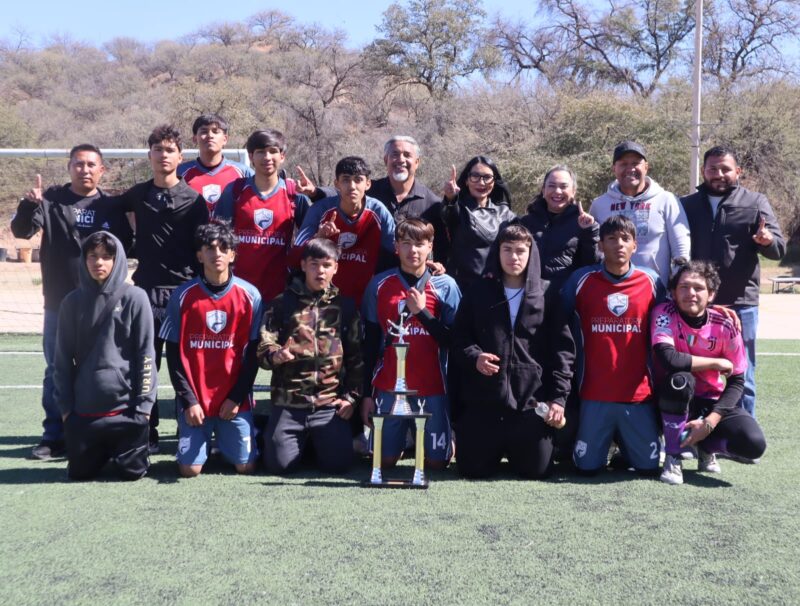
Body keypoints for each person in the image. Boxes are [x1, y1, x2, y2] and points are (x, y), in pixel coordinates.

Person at [11, 144, 132, 460]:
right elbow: (22, 232)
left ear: (102, 170)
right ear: (69, 167)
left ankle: (103, 432)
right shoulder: (51, 200)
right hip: (59, 303)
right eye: (78, 164)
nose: (85, 170)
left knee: (106, 368)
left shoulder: (111, 206)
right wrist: (28, 205)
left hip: (104, 305)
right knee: (57, 369)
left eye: (91, 164)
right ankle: (55, 436)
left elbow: (126, 249)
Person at [451, 223, 574, 479]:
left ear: (531, 253)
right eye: (507, 250)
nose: (513, 257)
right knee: (472, 470)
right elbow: (459, 338)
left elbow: (563, 351)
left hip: (530, 403)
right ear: (497, 252)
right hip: (484, 403)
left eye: (520, 251)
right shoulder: (477, 291)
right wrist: (476, 357)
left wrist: (558, 399)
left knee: (537, 471)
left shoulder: (548, 294)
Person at [119, 125, 209, 452]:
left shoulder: (194, 200)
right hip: (145, 290)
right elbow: (110, 216)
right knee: (145, 364)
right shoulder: (136, 195)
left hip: (183, 292)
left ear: (180, 157)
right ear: (149, 155)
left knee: (185, 364)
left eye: (169, 150)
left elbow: (202, 249)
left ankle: (190, 428)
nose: (163, 155)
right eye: (157, 149)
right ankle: (147, 431)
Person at [680, 146, 786, 418]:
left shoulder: (755, 202)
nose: (719, 174)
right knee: (694, 372)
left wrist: (768, 241)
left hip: (740, 304)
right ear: (703, 171)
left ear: (738, 171)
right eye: (712, 168)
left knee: (742, 374)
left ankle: (742, 431)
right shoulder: (686, 205)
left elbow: (779, 250)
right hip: (696, 304)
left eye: (725, 169)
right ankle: (696, 429)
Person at [561, 215, 665, 475]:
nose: (619, 244)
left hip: (638, 394)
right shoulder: (581, 280)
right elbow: (559, 323)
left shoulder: (651, 281)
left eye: (625, 239)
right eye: (611, 238)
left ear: (635, 246)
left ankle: (626, 445)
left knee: (648, 468)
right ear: (600, 245)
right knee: (586, 469)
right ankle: (606, 443)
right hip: (594, 393)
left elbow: (668, 324)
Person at [159, 222, 262, 477]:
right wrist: (189, 401)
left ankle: (235, 438)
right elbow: (173, 357)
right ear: (199, 255)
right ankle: (205, 443)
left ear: (232, 255)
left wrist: (236, 398)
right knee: (189, 470)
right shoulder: (182, 296)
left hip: (232, 400)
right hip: (197, 401)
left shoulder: (250, 296)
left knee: (246, 467)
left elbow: (252, 356)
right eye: (210, 248)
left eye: (223, 248)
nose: (217, 253)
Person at [653, 258, 767, 485]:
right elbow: (669, 359)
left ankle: (706, 446)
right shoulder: (664, 313)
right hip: (665, 401)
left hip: (709, 401)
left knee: (753, 444)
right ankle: (673, 456)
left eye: (698, 288)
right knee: (680, 380)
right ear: (673, 293)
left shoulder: (725, 323)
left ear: (711, 294)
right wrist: (715, 363)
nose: (690, 293)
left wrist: (709, 423)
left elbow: (737, 380)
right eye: (684, 287)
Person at [361, 218, 461, 470]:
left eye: (419, 244)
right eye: (406, 243)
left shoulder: (445, 285)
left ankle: (444, 437)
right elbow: (370, 343)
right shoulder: (378, 284)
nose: (412, 250)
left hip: (432, 386)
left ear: (430, 247)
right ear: (396, 246)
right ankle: (402, 439)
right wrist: (366, 395)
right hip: (389, 385)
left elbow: (455, 340)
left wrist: (422, 313)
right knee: (383, 462)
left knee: (437, 464)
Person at [257, 238, 364, 474]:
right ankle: (274, 431)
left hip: (328, 405)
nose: (320, 271)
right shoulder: (282, 304)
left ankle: (315, 441)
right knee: (279, 465)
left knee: (338, 465)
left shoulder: (346, 308)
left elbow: (356, 359)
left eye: (327, 265)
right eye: (314, 264)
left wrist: (351, 398)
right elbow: (264, 347)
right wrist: (276, 355)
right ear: (304, 265)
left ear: (336, 267)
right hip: (289, 404)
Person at [54, 231, 155, 480]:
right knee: (80, 474)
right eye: (92, 256)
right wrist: (66, 411)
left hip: (126, 411)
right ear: (84, 259)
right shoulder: (71, 302)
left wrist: (143, 409)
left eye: (106, 256)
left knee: (132, 474)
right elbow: (62, 360)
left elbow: (146, 356)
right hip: (85, 413)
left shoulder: (136, 298)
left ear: (117, 260)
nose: (98, 262)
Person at [213, 129, 312, 303]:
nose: (267, 157)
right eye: (260, 152)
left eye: (273, 151)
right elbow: (217, 239)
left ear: (282, 156)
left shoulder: (294, 195)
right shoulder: (235, 191)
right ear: (251, 157)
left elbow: (312, 240)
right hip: (238, 291)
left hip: (280, 293)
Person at [293, 156, 396, 305]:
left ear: (368, 184)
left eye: (358, 180)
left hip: (363, 301)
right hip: (321, 302)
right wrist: (318, 238)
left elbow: (398, 249)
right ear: (337, 183)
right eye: (346, 180)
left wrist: (425, 264)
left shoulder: (378, 211)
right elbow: (294, 258)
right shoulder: (320, 209)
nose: (352, 186)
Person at [590, 141, 690, 285]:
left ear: (646, 167)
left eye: (635, 163)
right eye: (623, 164)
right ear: (614, 169)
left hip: (656, 290)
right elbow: (595, 250)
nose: (630, 169)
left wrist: (678, 284)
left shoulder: (666, 200)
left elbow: (681, 248)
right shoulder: (599, 204)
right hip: (610, 289)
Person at [520, 165, 600, 300]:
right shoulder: (525, 223)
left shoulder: (584, 224)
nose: (557, 191)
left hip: (566, 298)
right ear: (543, 190)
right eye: (551, 186)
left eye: (563, 187)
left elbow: (591, 265)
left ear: (573, 191)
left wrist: (589, 232)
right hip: (530, 298)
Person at [367, 136, 449, 265]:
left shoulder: (432, 203)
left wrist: (438, 267)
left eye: (407, 155)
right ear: (386, 160)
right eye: (395, 154)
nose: (401, 159)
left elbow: (441, 247)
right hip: (372, 275)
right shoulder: (368, 194)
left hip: (413, 276)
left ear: (417, 162)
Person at [442, 155, 516, 289]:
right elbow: (448, 215)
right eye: (475, 176)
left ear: (494, 181)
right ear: (466, 180)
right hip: (462, 288)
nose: (481, 183)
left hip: (495, 287)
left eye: (487, 177)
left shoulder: (505, 213)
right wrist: (451, 199)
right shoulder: (459, 209)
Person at [178, 113, 253, 214]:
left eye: (215, 131)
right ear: (195, 139)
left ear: (225, 139)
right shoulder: (180, 173)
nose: (210, 135)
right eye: (204, 131)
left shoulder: (244, 173)